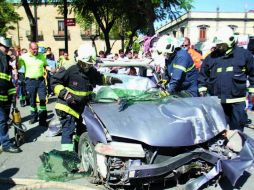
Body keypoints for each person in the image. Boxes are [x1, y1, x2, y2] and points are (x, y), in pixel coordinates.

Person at [51, 44, 122, 151]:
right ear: (79, 60)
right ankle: (67, 160)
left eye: (89, 65)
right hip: (67, 106)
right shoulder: (69, 68)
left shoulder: (90, 70)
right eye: (84, 64)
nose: (86, 67)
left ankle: (77, 151)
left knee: (81, 130)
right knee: (68, 130)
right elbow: (54, 82)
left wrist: (112, 80)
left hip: (80, 108)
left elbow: (100, 78)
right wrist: (66, 95)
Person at [198, 26, 254, 131]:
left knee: (237, 130)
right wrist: (202, 88)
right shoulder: (211, 57)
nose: (219, 46)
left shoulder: (244, 55)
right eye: (218, 44)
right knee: (218, 129)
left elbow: (252, 73)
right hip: (218, 101)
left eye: (221, 44)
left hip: (237, 101)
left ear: (230, 41)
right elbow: (203, 74)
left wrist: (252, 89)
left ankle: (237, 146)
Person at [18, 42, 49, 127]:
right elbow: (18, 66)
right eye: (34, 49)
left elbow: (45, 65)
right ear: (30, 49)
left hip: (41, 81)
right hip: (30, 81)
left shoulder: (41, 56)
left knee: (42, 99)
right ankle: (34, 117)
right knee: (32, 100)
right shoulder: (24, 57)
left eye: (37, 48)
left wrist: (52, 69)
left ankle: (42, 119)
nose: (36, 50)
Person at [0, 36, 21, 153]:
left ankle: (2, 140)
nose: (7, 49)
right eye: (5, 47)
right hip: (1, 94)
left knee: (3, 120)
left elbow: (8, 80)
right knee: (2, 120)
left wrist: (12, 94)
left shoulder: (5, 59)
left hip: (5, 95)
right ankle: (6, 144)